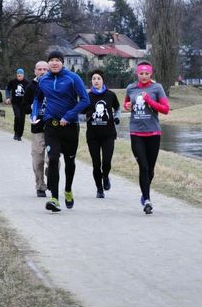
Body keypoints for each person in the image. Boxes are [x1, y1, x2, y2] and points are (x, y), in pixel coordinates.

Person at [31, 49, 89, 212]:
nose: (54, 63)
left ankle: (68, 189)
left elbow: (85, 100)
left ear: (62, 63)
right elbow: (38, 98)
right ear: (48, 63)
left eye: (57, 60)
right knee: (54, 159)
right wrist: (36, 114)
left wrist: (69, 116)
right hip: (51, 126)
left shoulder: (73, 78)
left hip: (70, 127)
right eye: (51, 60)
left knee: (70, 162)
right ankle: (54, 198)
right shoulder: (43, 80)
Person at [124, 61, 170, 214]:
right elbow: (126, 103)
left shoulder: (157, 88)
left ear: (151, 74)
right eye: (141, 73)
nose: (144, 76)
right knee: (143, 167)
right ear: (137, 74)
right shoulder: (131, 88)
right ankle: (147, 199)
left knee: (150, 170)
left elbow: (165, 109)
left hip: (153, 133)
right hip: (136, 132)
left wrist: (149, 101)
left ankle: (145, 193)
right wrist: (127, 106)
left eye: (147, 73)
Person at [82, 69, 121, 198]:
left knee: (106, 162)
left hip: (108, 134)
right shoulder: (87, 96)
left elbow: (117, 108)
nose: (96, 81)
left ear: (102, 80)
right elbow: (80, 111)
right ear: (91, 81)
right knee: (96, 163)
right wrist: (85, 118)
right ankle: (99, 189)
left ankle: (105, 176)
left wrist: (116, 117)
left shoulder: (110, 95)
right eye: (94, 79)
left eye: (98, 78)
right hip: (93, 135)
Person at [23, 61, 49, 197]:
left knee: (53, 159)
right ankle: (40, 186)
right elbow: (24, 107)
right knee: (38, 159)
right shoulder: (30, 87)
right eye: (40, 69)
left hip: (53, 127)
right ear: (35, 71)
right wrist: (32, 107)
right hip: (38, 128)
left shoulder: (54, 84)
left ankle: (51, 176)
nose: (42, 71)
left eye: (45, 69)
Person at [6, 68, 29, 141]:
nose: (19, 75)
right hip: (15, 102)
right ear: (16, 74)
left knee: (22, 119)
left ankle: (20, 135)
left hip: (23, 103)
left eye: (21, 73)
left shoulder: (26, 82)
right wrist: (8, 97)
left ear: (23, 75)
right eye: (18, 73)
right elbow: (7, 89)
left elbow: (30, 92)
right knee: (18, 116)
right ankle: (16, 133)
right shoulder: (13, 82)